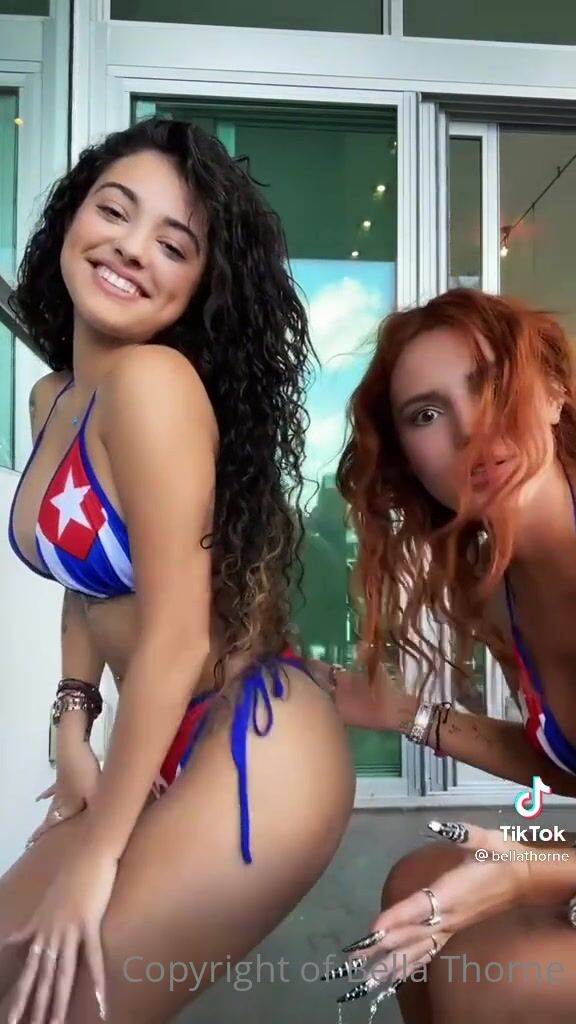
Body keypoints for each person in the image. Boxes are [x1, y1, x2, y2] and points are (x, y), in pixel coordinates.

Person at [0, 117, 355, 1024]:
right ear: (71, 219)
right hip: (152, 735)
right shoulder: (55, 396)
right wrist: (72, 724)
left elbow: (179, 634)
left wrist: (96, 855)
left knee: (53, 1007)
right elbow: (87, 578)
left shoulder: (153, 384)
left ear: (201, 286)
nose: (131, 248)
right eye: (114, 210)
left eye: (174, 244)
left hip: (255, 736)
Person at [314, 289, 576, 1021]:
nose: (471, 429)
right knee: (415, 883)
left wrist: (529, 874)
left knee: (487, 977)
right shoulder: (498, 594)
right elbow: (564, 765)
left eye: (491, 385)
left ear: (554, 393)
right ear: (409, 463)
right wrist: (408, 716)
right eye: (426, 415)